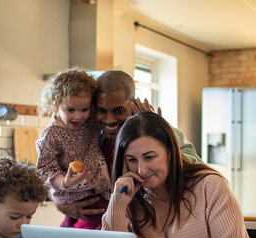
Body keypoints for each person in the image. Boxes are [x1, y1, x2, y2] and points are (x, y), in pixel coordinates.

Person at [102, 112, 256, 238]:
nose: (142, 170)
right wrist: (118, 204)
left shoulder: (209, 185)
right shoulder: (128, 197)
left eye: (149, 157)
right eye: (132, 160)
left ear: (170, 151)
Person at [56, 69, 202, 226]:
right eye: (101, 110)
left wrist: (159, 133)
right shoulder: (88, 136)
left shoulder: (156, 135)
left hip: (134, 231)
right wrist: (60, 202)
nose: (109, 120)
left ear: (133, 105)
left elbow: (196, 171)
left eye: (118, 111)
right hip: (82, 230)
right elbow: (54, 174)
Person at [36, 68, 112, 229]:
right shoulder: (51, 136)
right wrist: (64, 181)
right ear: (55, 104)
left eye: (84, 109)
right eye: (70, 110)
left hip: (96, 188)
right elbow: (44, 170)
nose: (78, 116)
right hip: (71, 195)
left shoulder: (90, 121)